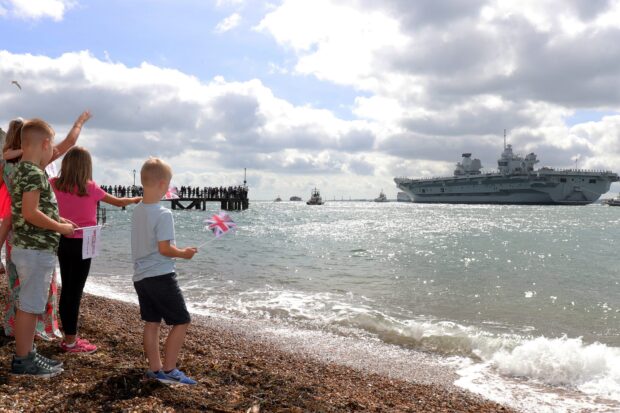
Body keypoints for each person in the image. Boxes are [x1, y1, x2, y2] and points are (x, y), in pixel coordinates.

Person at [0, 112, 90, 340]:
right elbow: (69, 142)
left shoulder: (10, 167)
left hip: (16, 234)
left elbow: (12, 212)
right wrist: (79, 122)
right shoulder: (34, 166)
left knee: (18, 286)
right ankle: (35, 336)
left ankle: (15, 329)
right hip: (35, 236)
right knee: (38, 289)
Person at [51, 146, 141, 353]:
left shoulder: (53, 184)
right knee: (75, 292)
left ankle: (68, 336)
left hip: (63, 239)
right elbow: (118, 202)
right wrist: (137, 199)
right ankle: (71, 341)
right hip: (85, 242)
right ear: (86, 167)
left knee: (67, 289)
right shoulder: (90, 187)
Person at [9, 119, 76, 377]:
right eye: (51, 147)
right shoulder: (34, 173)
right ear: (46, 144)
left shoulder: (23, 170)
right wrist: (59, 229)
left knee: (29, 304)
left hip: (30, 248)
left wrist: (59, 220)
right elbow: (30, 213)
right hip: (35, 250)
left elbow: (32, 210)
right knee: (30, 306)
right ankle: (23, 360)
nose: (52, 153)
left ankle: (27, 352)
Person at [131, 158, 197, 385]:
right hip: (160, 276)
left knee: (152, 322)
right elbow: (165, 249)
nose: (169, 188)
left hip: (140, 277)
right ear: (161, 184)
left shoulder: (138, 210)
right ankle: (169, 370)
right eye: (169, 184)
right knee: (182, 321)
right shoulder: (163, 214)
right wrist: (184, 253)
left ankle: (155, 369)